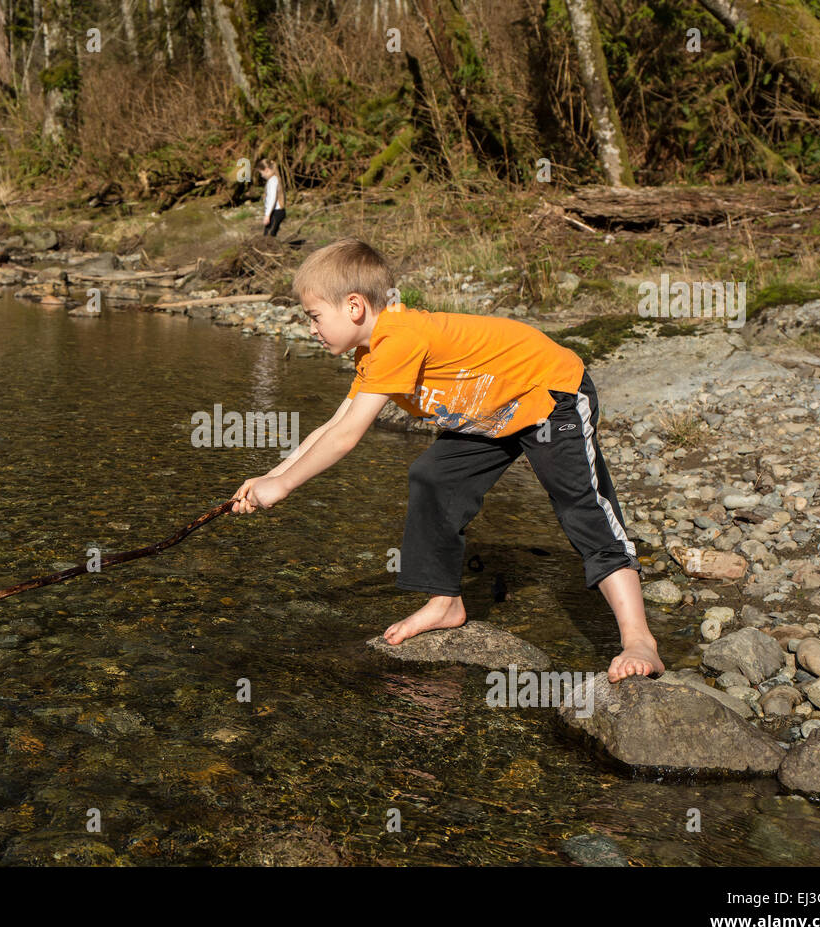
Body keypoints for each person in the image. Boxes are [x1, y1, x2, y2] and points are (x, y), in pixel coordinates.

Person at [230, 238, 663, 683]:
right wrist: (271, 475)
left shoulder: (400, 337)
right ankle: (445, 602)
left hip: (548, 395)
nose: (312, 329)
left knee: (580, 504)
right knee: (433, 475)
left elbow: (345, 438)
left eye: (315, 317)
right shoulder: (372, 353)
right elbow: (332, 424)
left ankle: (639, 639)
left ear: (354, 306)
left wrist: (283, 487)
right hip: (491, 416)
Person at [259, 158, 286, 237]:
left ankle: (270, 249)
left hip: (276, 212)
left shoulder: (273, 181)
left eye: (261, 173)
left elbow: (272, 199)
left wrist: (267, 215)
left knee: (268, 237)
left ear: (266, 170)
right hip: (276, 211)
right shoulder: (274, 179)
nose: (261, 175)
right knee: (268, 235)